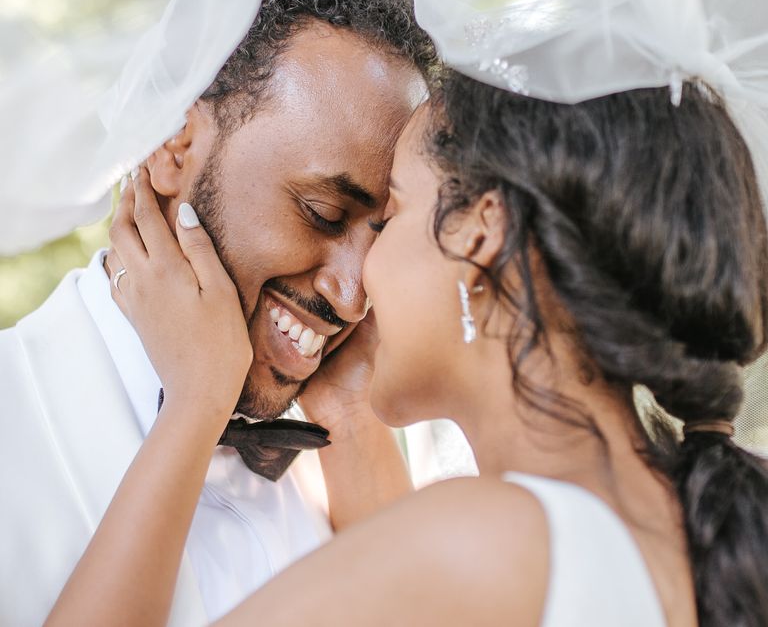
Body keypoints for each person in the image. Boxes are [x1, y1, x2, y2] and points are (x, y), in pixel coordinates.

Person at [47, 70, 768, 626]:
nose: (356, 290)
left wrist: (197, 399)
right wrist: (352, 410)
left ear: (479, 234)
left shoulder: (491, 537)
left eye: (388, 216)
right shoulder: (686, 526)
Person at [0, 0, 437, 626]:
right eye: (323, 213)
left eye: (382, 233)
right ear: (175, 145)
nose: (354, 295)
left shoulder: (345, 474)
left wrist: (354, 414)